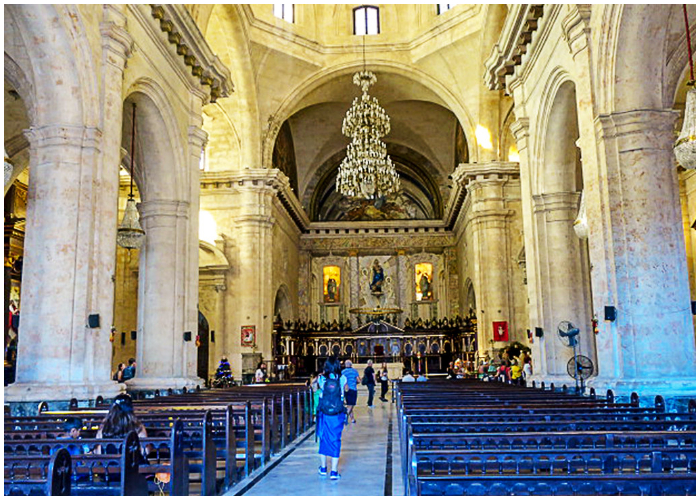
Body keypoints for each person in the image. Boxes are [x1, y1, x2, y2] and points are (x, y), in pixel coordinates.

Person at [316, 356, 347, 480]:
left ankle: (323, 468)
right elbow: (346, 390)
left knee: (323, 437)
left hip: (324, 413)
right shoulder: (342, 378)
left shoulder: (321, 379)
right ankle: (334, 471)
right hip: (337, 413)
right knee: (335, 439)